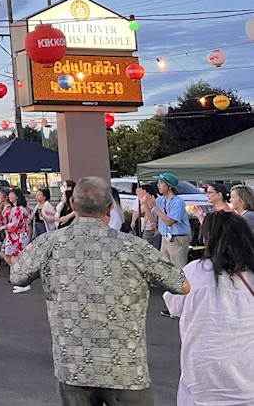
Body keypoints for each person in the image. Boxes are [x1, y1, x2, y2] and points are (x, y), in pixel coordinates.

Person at [11, 177, 189, 406]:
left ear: (73, 207)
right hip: (125, 369)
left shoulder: (49, 243)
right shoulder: (133, 247)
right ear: (111, 207)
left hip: (74, 366)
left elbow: (16, 274)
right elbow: (181, 284)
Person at [162, 211, 254, 405]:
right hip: (247, 375)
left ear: (207, 239)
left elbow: (173, 307)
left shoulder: (193, 271)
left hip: (202, 374)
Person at [147, 173, 192, 270]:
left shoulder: (178, 202)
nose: (158, 185)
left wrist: (155, 206)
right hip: (165, 238)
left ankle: (182, 285)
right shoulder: (160, 200)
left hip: (177, 238)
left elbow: (169, 222)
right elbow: (153, 220)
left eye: (161, 183)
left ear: (170, 186)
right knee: (165, 268)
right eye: (158, 182)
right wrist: (145, 204)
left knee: (178, 268)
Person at [0, 188, 31, 292]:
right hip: (12, 236)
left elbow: (15, 224)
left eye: (12, 194)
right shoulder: (12, 209)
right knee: (11, 257)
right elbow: (4, 220)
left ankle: (23, 282)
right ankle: (20, 279)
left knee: (16, 259)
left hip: (19, 236)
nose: (10, 196)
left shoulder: (20, 209)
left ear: (17, 197)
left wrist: (2, 227)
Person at [132, 184, 161, 249]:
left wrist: (145, 204)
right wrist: (133, 221)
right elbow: (135, 210)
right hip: (144, 227)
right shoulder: (140, 200)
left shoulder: (157, 200)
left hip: (151, 228)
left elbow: (151, 217)